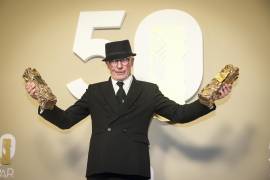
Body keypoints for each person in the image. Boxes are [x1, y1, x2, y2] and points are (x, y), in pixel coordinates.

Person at [25, 40, 232, 180]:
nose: (119, 66)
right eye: (114, 61)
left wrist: (211, 98)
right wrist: (40, 99)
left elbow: (180, 114)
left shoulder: (149, 91)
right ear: (107, 64)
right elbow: (65, 120)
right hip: (101, 167)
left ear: (131, 61)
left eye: (124, 59)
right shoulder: (95, 91)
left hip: (134, 167)